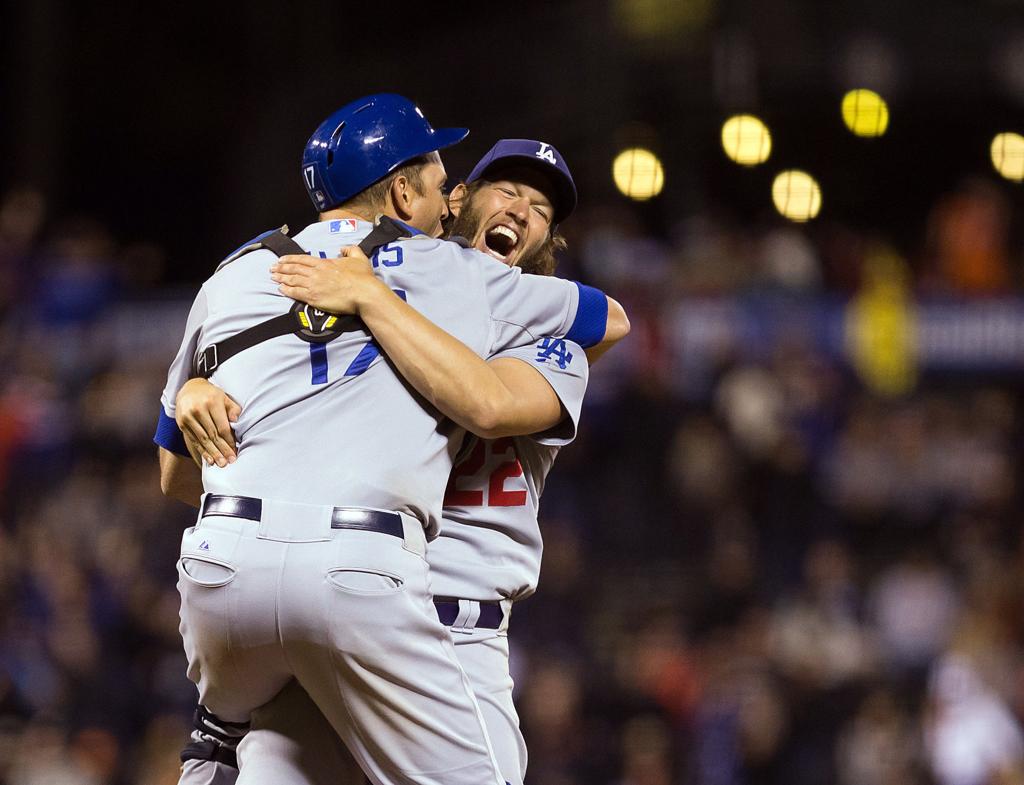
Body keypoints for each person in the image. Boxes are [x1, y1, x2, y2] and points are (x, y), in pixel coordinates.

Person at [155, 93, 627, 785]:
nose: (524, 212)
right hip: (354, 590)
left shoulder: (539, 336)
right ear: (449, 199)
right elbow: (277, 423)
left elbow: (494, 401)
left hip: (449, 624)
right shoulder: (421, 273)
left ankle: (220, 727)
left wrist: (372, 296)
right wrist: (204, 395)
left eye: (543, 211)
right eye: (507, 191)